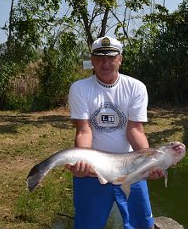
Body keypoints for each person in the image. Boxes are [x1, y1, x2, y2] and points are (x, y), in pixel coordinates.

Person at [67, 36, 164, 229]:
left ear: (120, 59)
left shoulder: (136, 87)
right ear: (92, 60)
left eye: (111, 57)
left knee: (141, 225)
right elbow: (84, 130)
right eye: (100, 58)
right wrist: (83, 163)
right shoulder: (80, 88)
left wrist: (150, 162)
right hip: (93, 173)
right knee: (87, 225)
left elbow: (135, 130)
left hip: (131, 168)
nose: (105, 63)